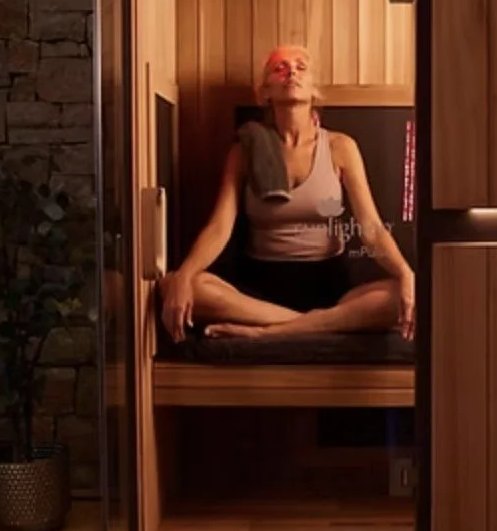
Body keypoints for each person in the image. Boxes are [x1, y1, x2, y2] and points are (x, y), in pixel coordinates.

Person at [159, 44, 415, 343]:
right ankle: (311, 325)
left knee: (406, 293)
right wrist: (185, 276)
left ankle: (265, 333)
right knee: (171, 285)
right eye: (279, 68)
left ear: (314, 90)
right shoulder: (244, 151)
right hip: (259, 291)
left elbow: (371, 229)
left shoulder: (340, 147)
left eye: (300, 67)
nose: (291, 71)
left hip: (329, 285)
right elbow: (219, 227)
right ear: (265, 91)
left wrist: (405, 273)